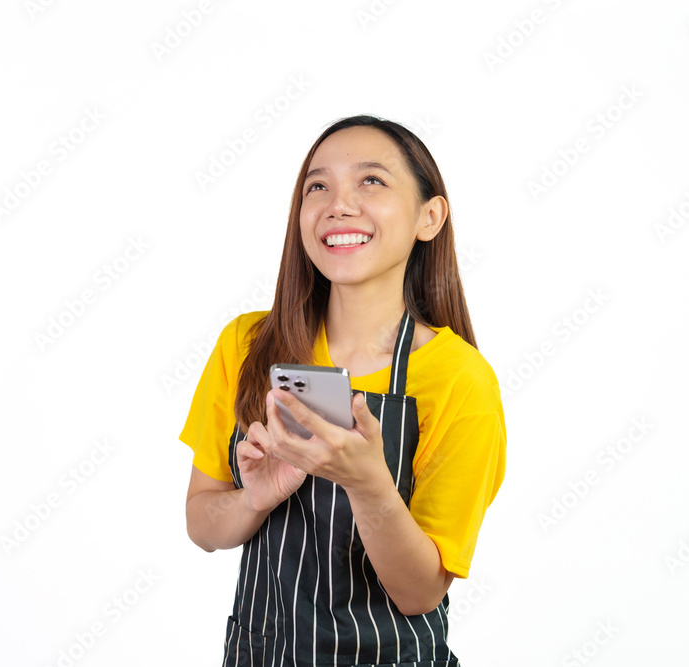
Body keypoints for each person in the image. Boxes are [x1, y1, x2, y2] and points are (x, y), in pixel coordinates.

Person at [180, 114, 506, 667]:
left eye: (371, 181)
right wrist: (255, 499)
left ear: (430, 217)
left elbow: (420, 591)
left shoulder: (458, 377)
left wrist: (369, 485)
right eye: (318, 186)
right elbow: (202, 526)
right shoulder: (247, 345)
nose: (339, 204)